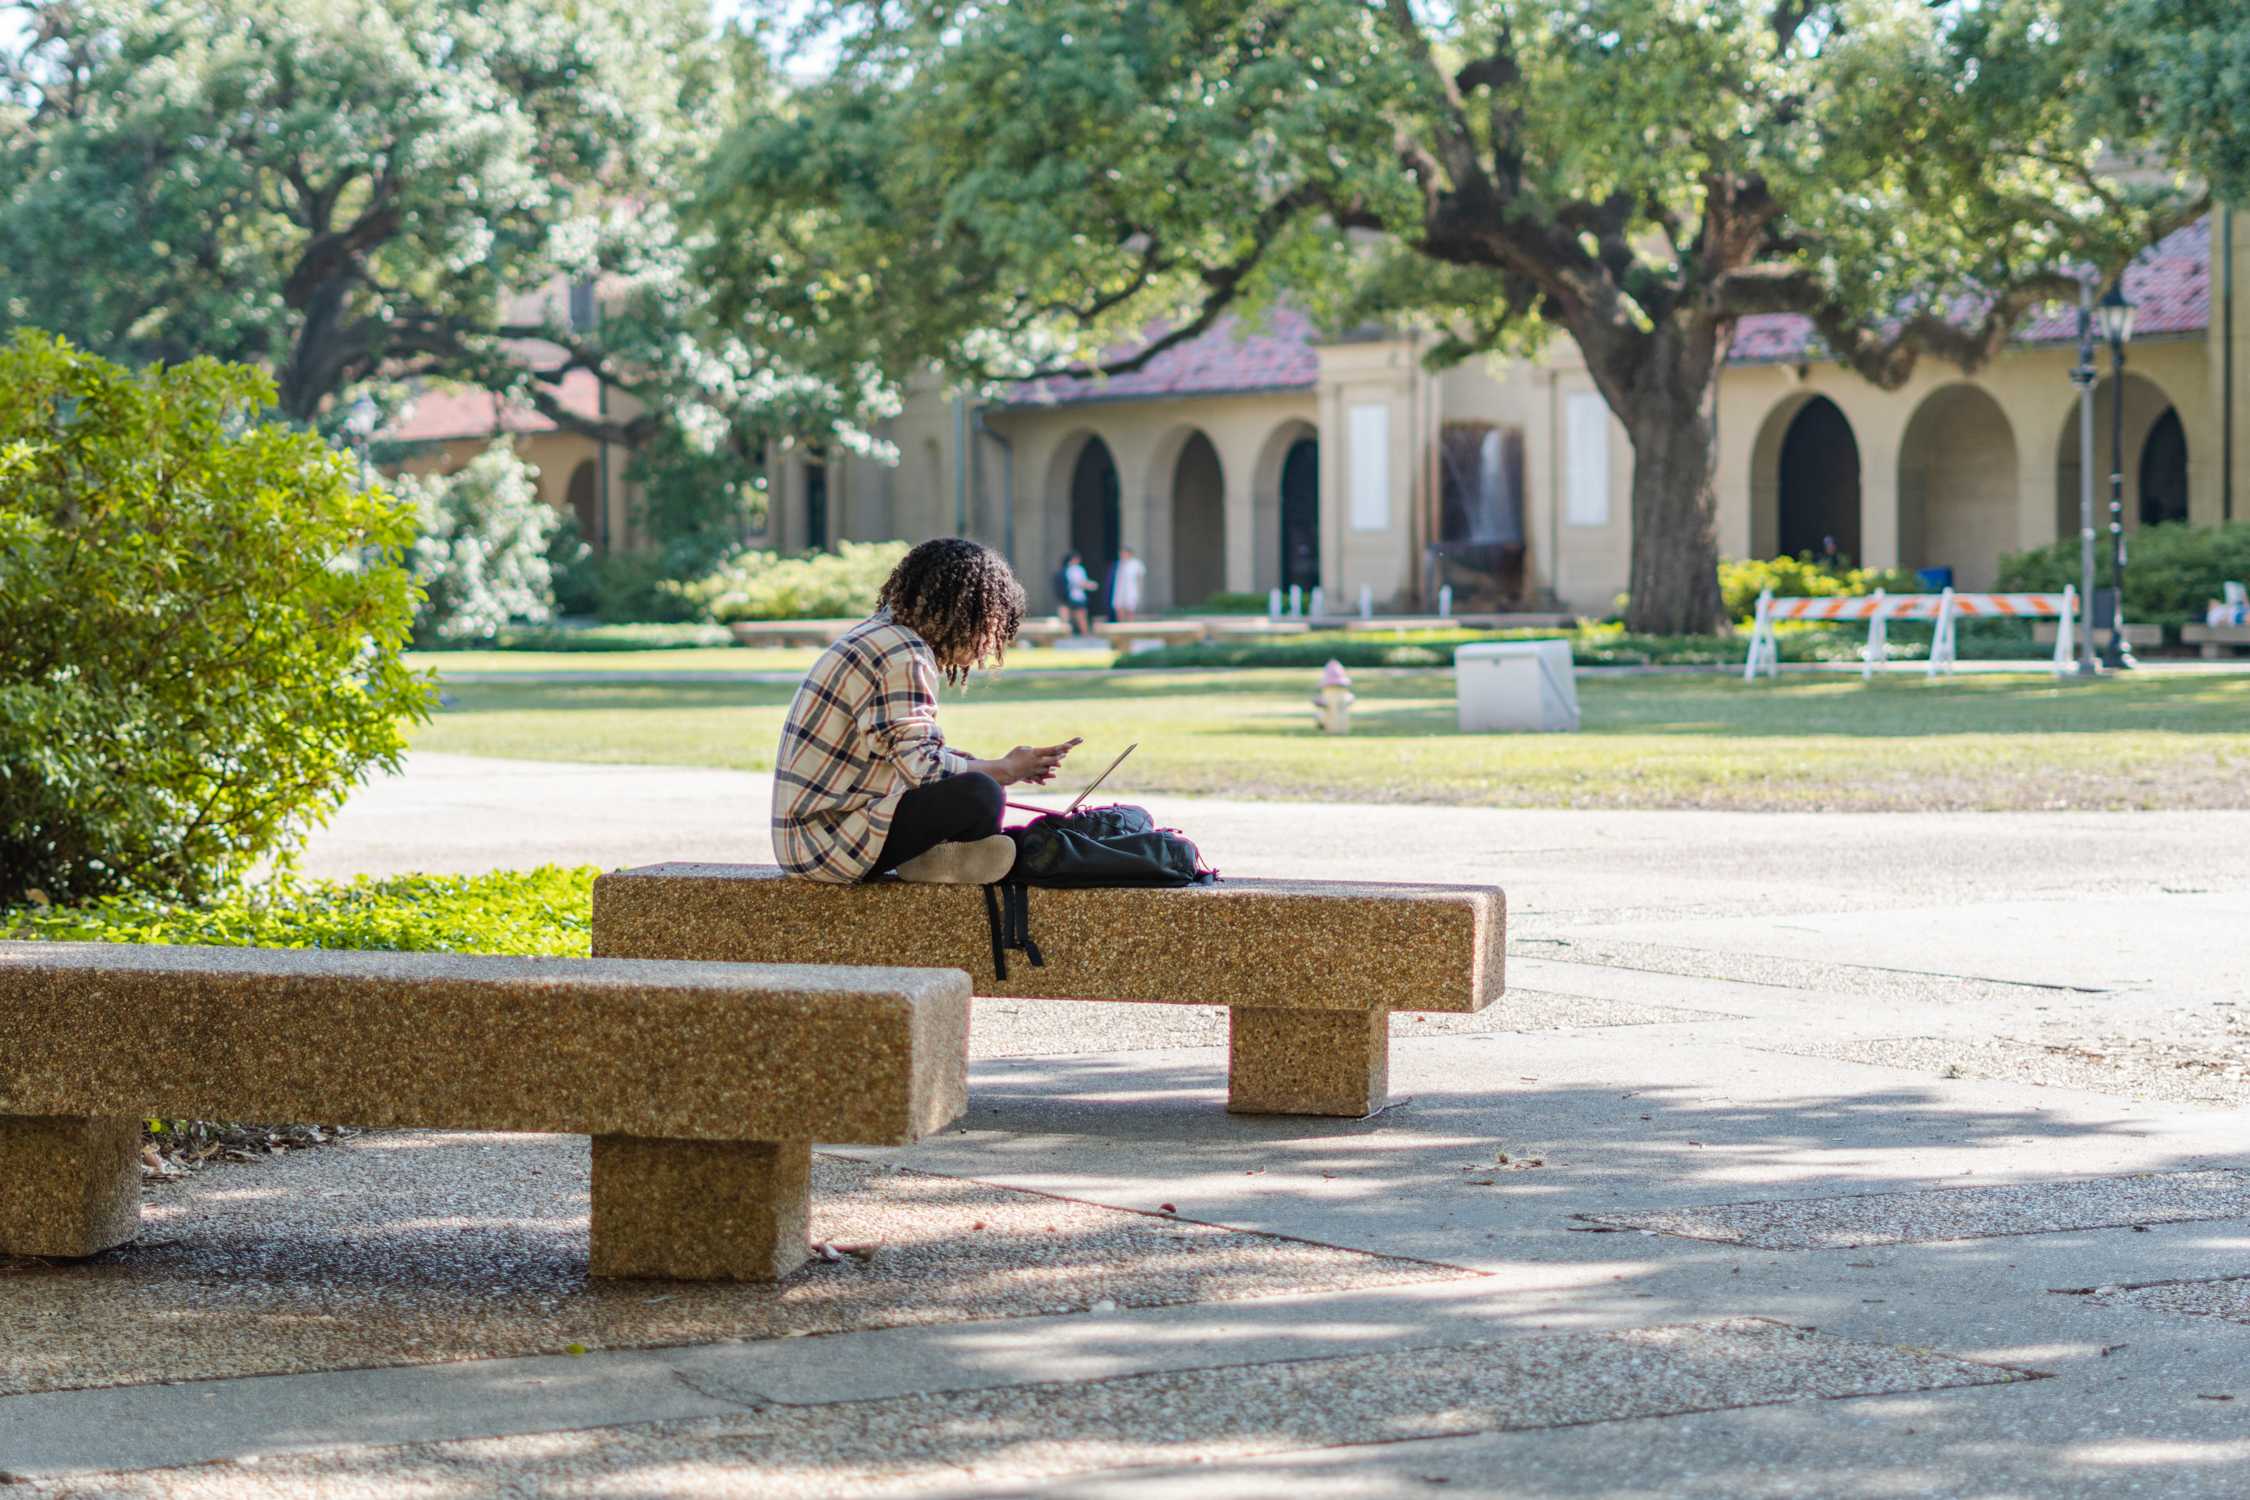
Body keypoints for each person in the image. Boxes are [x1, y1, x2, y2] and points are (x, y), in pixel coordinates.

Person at [773, 538, 1078, 884]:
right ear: (965, 610)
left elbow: (906, 757)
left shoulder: (886, 637)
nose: (993, 643)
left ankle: (939, 858)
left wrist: (998, 767)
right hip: (825, 844)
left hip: (813, 835)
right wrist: (1003, 769)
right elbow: (924, 769)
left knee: (981, 785)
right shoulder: (903, 653)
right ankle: (936, 858)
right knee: (982, 794)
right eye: (993, 624)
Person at [1053, 549, 1093, 635]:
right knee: (1080, 617)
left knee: (1067, 618)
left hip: (1066, 597)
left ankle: (1067, 635)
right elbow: (1081, 583)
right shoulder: (1077, 569)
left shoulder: (1063, 570)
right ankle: (1084, 634)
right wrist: (1091, 585)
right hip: (1076, 597)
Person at [1111, 545, 1146, 622]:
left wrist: (1138, 590)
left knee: (1130, 609)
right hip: (1119, 589)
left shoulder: (1136, 563)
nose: (1122, 555)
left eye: (1124, 553)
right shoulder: (1118, 564)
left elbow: (1139, 577)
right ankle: (1121, 626)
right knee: (1118, 607)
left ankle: (1130, 625)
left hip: (1131, 589)